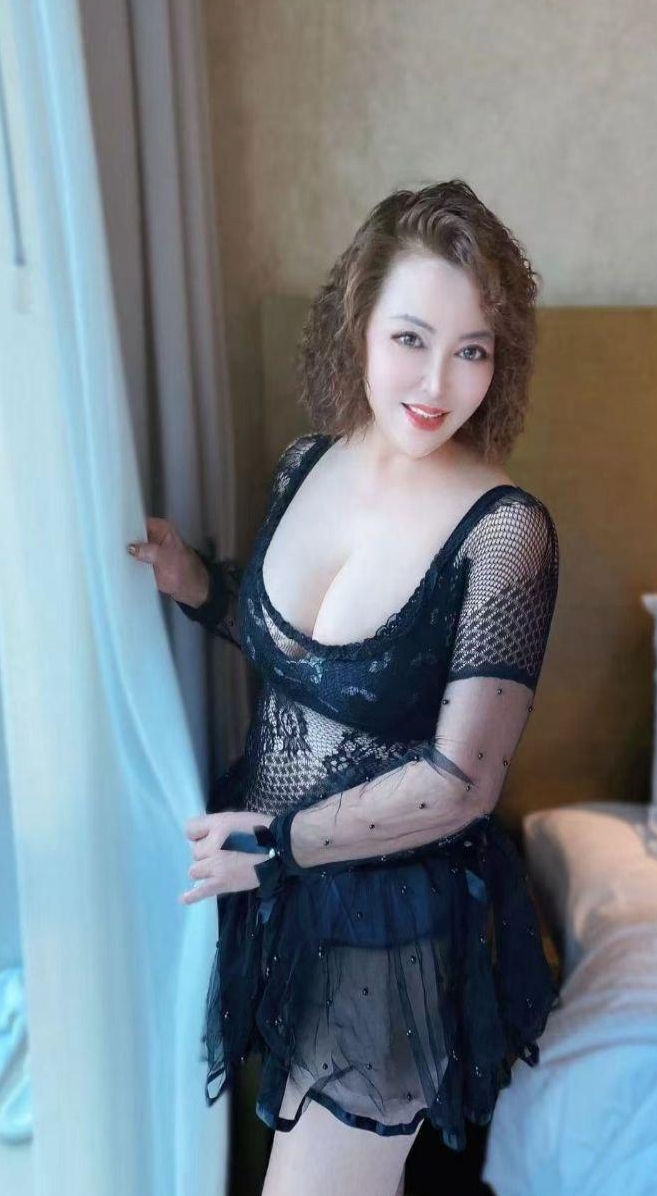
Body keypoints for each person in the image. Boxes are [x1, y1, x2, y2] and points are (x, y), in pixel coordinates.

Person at [128, 179, 561, 1196]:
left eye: (472, 350)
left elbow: (461, 783)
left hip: (383, 918)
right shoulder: (304, 465)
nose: (437, 383)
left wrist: (274, 847)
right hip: (269, 882)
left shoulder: (506, 533)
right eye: (411, 338)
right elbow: (302, 658)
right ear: (358, 321)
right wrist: (195, 583)